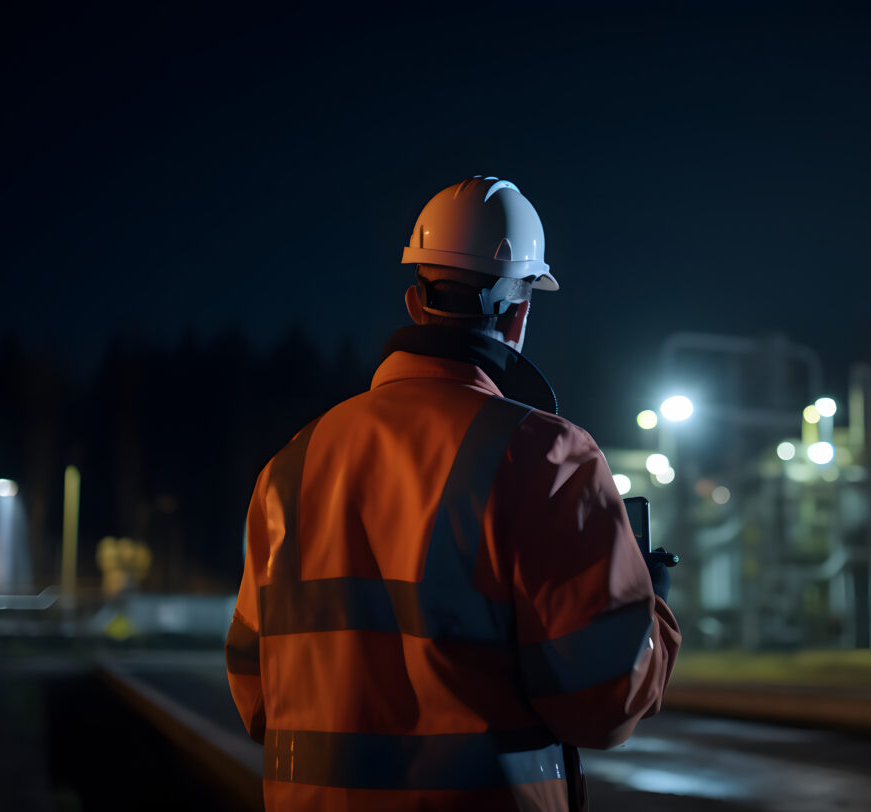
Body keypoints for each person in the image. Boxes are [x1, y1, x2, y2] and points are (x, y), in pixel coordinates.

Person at [226, 176, 681, 811]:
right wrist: (649, 609)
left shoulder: (291, 465)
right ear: (521, 311)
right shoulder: (548, 457)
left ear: (415, 301)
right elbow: (604, 702)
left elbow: (254, 691)